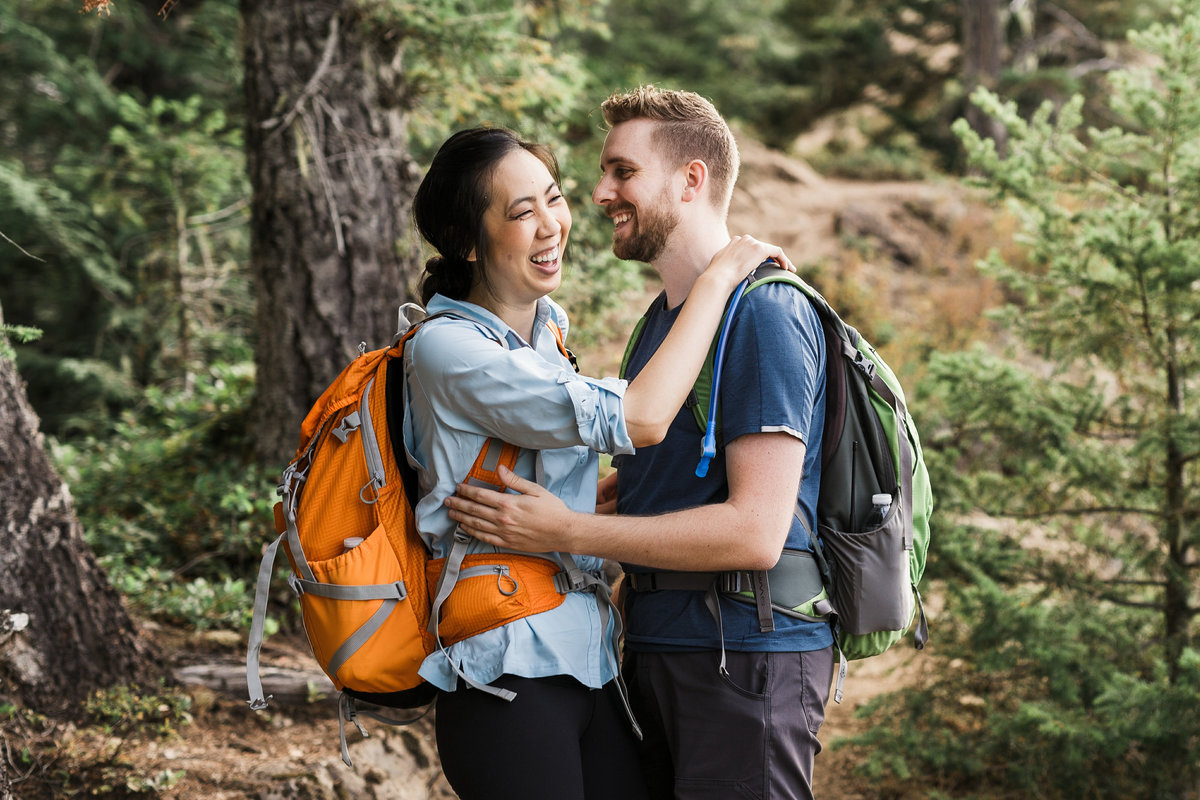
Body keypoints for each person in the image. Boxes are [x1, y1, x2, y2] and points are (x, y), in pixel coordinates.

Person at [444, 87, 835, 800]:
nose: (599, 194)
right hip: (659, 652)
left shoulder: (766, 313)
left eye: (622, 172)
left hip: (742, 658)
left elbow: (755, 533)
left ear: (692, 179)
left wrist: (568, 528)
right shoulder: (662, 327)